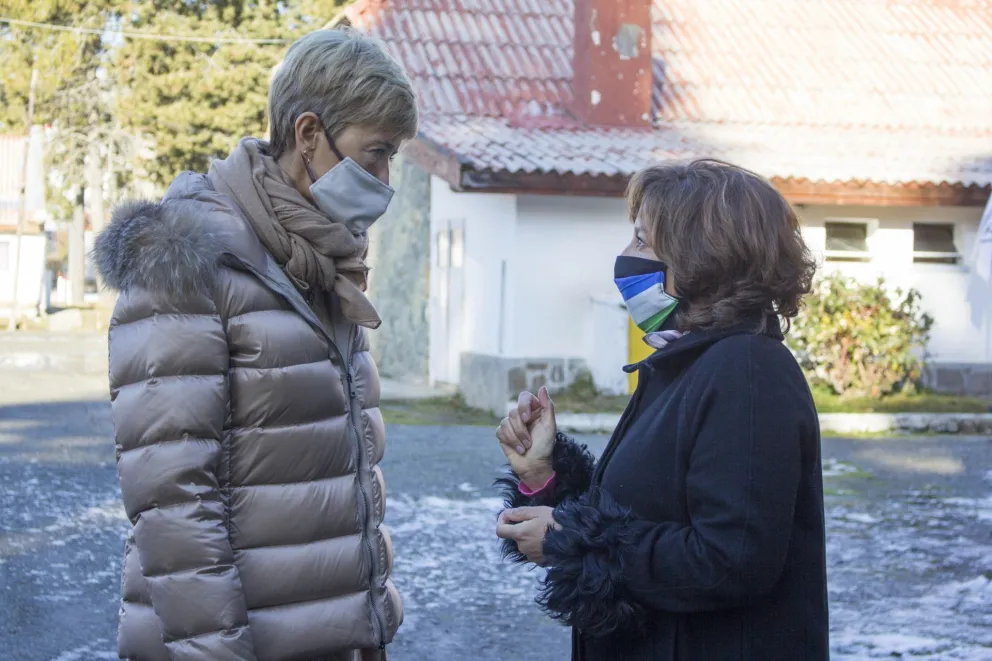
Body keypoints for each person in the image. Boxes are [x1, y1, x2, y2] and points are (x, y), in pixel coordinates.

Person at [93, 28, 417, 661]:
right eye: (375, 153)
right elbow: (173, 498)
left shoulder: (320, 260)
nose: (385, 179)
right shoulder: (187, 263)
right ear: (307, 135)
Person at [495, 159, 828, 661]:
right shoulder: (686, 362)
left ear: (704, 258)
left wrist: (569, 542)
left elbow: (731, 559)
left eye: (643, 241)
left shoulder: (748, 370)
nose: (626, 257)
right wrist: (544, 473)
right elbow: (639, 509)